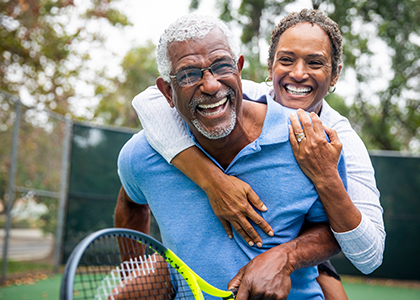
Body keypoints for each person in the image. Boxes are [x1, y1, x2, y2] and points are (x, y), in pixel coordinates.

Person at [131, 9, 385, 300]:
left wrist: (324, 177)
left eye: (315, 63)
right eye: (286, 60)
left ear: (335, 74)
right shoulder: (237, 94)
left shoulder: (340, 140)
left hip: (308, 239)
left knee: (330, 289)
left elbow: (368, 255)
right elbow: (148, 101)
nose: (298, 73)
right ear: (270, 66)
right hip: (277, 233)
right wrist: (214, 182)